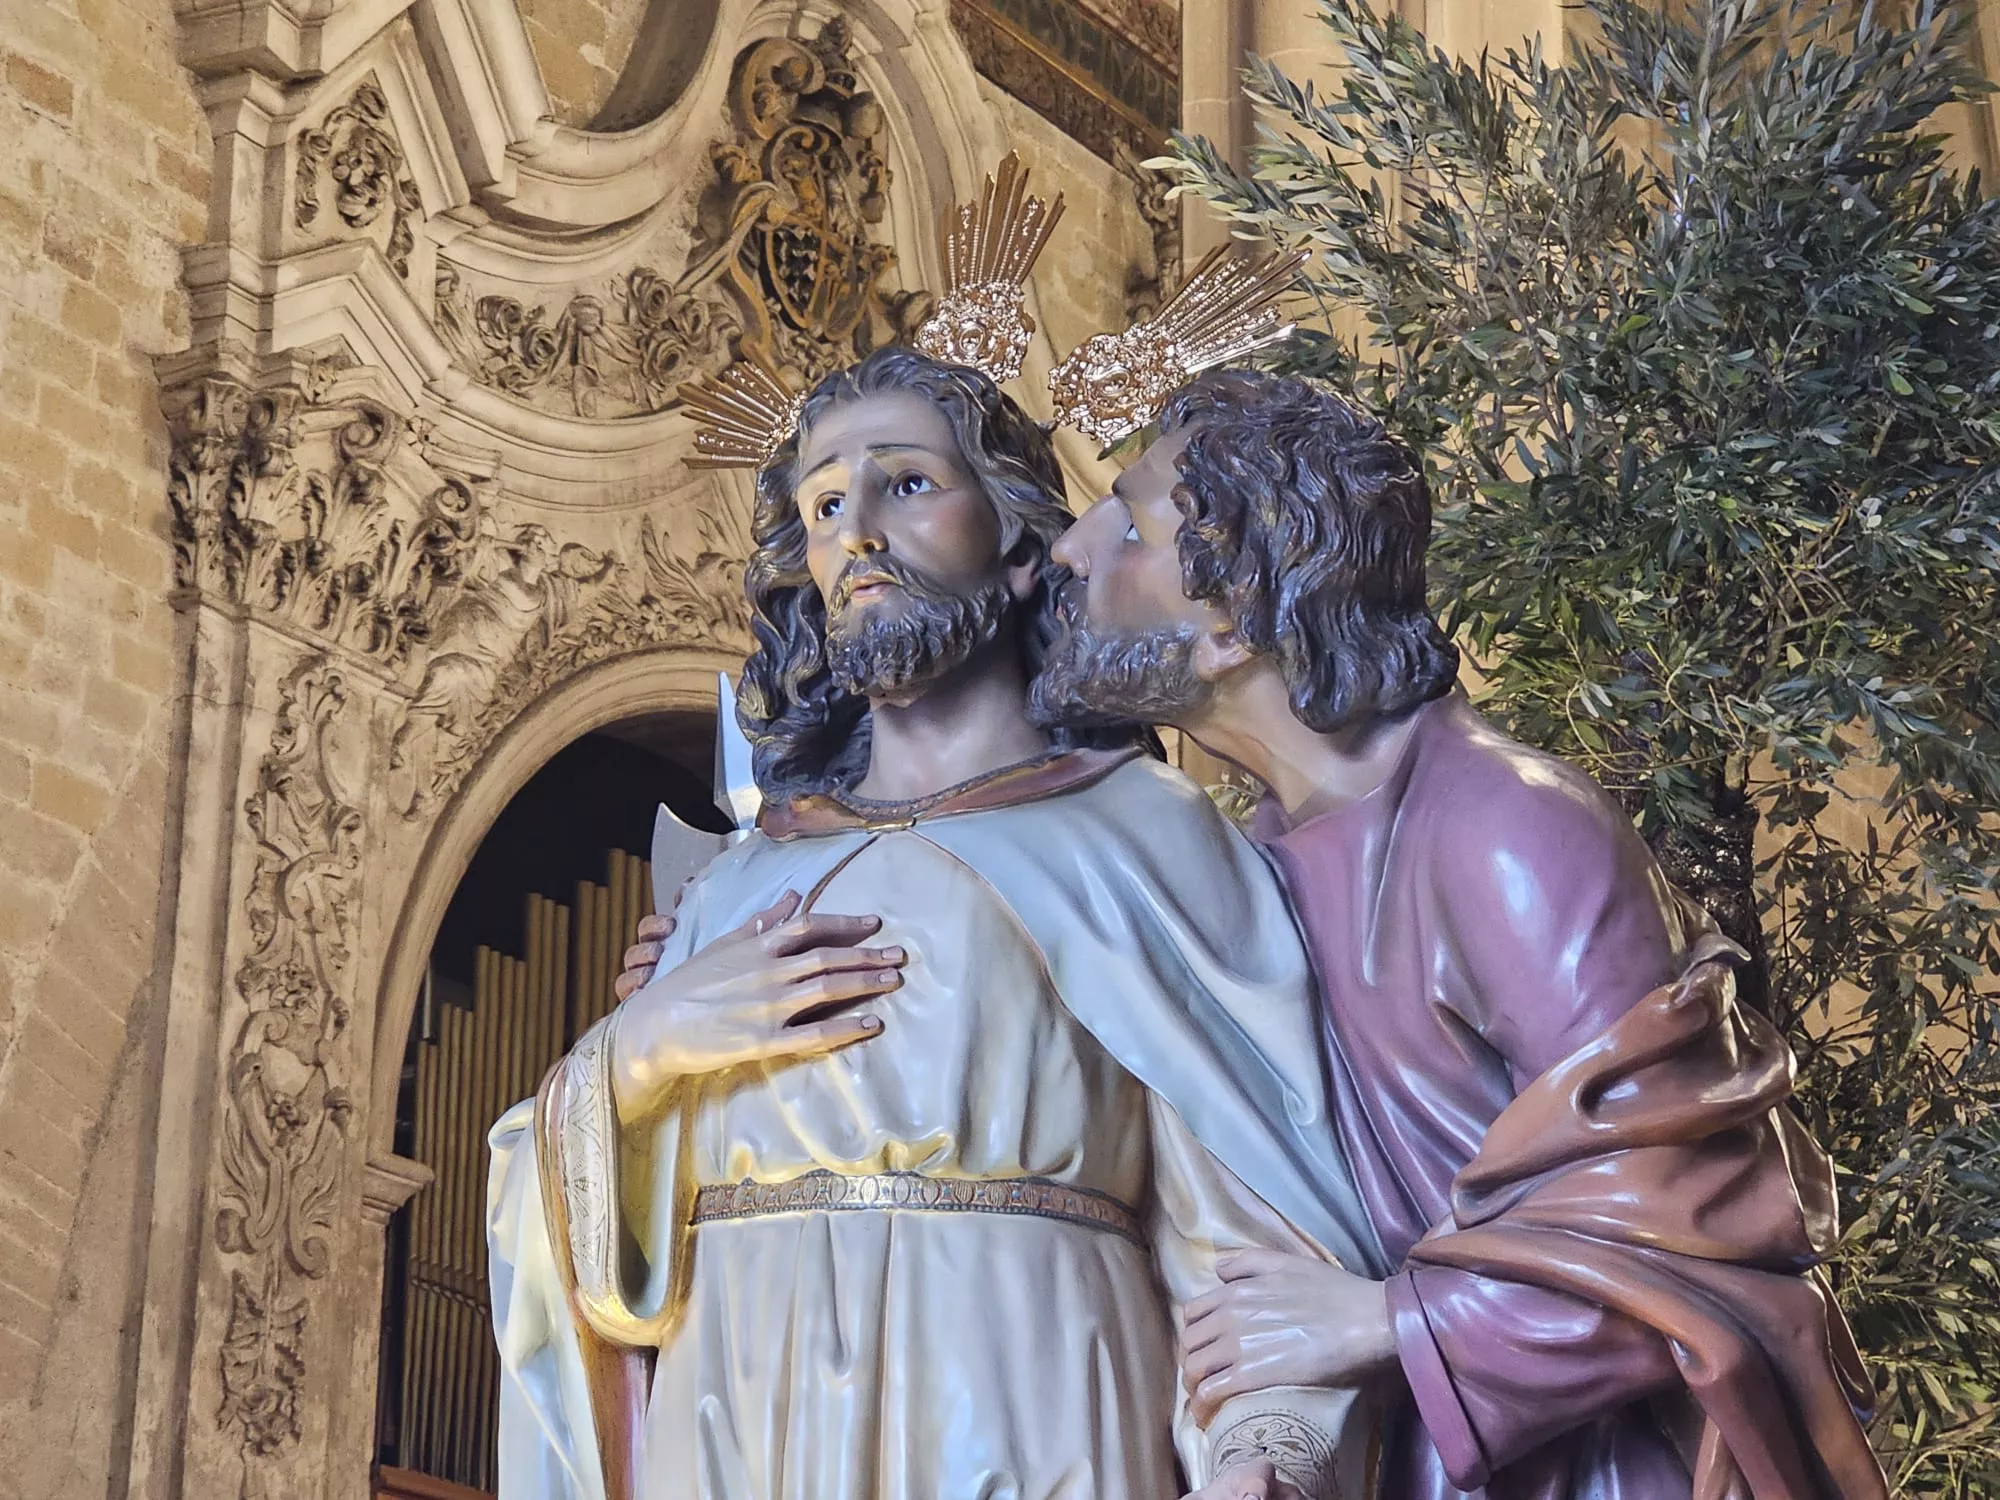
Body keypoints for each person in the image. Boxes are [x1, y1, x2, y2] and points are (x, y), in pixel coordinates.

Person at [490, 347, 1386, 1500]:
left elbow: (1257, 1226)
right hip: (738, 1426)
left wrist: (1266, 1446)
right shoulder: (737, 884)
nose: (855, 529)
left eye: (903, 483)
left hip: (1028, 1401)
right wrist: (638, 1056)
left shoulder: (1140, 842)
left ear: (1020, 548)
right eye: (823, 505)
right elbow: (586, 1252)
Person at [1019, 368, 1888, 1500]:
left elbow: (1703, 1223)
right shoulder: (1253, 858)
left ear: (1231, 619)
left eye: (1125, 521)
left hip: (1601, 1471)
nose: (1071, 553)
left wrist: (1391, 1319)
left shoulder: (1502, 828)